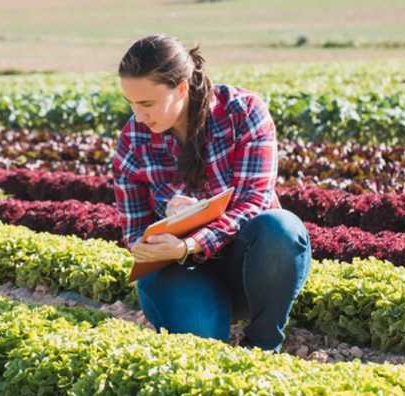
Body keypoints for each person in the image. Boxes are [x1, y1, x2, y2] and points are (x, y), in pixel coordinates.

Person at [113, 34, 312, 352]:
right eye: (132, 104)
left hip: (248, 267)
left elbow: (254, 202)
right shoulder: (133, 140)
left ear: (180, 88)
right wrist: (163, 233)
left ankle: (263, 344)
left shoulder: (242, 112)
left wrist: (191, 242)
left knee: (281, 227)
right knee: (203, 342)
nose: (138, 116)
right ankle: (202, 315)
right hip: (181, 273)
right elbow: (135, 234)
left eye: (147, 103)